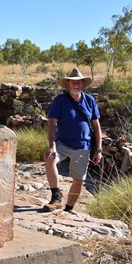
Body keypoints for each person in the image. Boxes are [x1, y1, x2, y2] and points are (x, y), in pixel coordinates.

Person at [43, 68, 102, 213]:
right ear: (68, 83)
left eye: (79, 82)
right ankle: (56, 197)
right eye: (73, 82)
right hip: (62, 143)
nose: (76, 84)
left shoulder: (89, 100)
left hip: (83, 146)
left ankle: (68, 209)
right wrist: (52, 146)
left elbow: (96, 126)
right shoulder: (60, 100)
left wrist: (99, 149)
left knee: (78, 180)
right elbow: (51, 123)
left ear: (82, 83)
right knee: (50, 159)